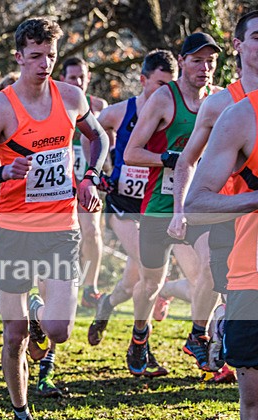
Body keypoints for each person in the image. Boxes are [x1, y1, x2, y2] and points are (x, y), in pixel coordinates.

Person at [0, 17, 107, 420]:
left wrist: (89, 177)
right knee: (13, 336)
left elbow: (98, 138)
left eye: (50, 55)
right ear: (18, 56)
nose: (44, 64)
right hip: (11, 230)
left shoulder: (70, 97)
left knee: (59, 328)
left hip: (59, 227)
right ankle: (21, 415)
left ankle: (38, 309)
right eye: (35, 56)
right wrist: (1, 172)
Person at [184, 31, 258, 420]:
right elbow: (198, 198)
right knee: (254, 414)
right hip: (251, 277)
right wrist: (253, 199)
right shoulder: (237, 113)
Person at [123, 32, 222, 377]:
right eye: (197, 60)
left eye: (211, 61)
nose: (205, 68)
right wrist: (170, 158)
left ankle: (198, 333)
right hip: (159, 206)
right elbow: (130, 153)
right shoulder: (166, 99)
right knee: (151, 283)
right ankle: (139, 336)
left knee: (212, 267)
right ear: (181, 62)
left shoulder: (220, 100)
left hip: (200, 203)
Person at [171, 13, 258, 382]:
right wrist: (178, 210)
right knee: (215, 276)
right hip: (227, 214)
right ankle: (214, 328)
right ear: (239, 45)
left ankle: (220, 328)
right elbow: (187, 160)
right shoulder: (221, 105)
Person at [87, 50, 177, 352]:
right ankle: (142, 345)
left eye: (171, 85)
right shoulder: (119, 111)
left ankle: (108, 305)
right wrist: (101, 170)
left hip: (155, 203)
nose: (166, 92)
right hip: (123, 205)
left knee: (132, 281)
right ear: (143, 80)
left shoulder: (175, 111)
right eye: (160, 84)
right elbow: (93, 134)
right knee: (145, 266)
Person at [60, 57, 108, 307]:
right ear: (62, 79)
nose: (78, 81)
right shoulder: (58, 104)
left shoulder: (99, 106)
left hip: (89, 178)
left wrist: (100, 173)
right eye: (72, 77)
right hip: (64, 180)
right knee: (66, 235)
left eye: (82, 76)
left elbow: (105, 140)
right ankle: (61, 287)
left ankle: (91, 287)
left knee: (92, 231)